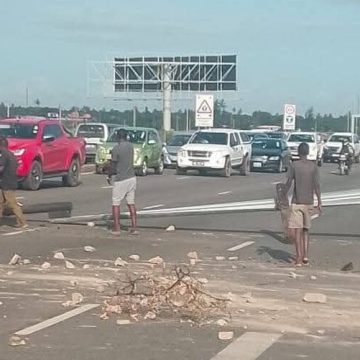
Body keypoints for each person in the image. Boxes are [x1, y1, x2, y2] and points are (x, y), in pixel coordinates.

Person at [284, 142, 322, 267]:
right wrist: (320, 202)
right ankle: (305, 256)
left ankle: (298, 258)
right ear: (308, 152)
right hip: (309, 203)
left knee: (297, 232)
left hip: (297, 202)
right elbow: (316, 185)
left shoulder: (294, 165)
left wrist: (283, 195)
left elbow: (289, 182)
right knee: (306, 230)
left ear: (298, 152)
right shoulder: (313, 166)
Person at [108, 129, 138, 236]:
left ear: (117, 137)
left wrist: (109, 175)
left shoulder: (116, 149)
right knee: (131, 203)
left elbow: (113, 165)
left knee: (116, 203)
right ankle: (134, 227)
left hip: (121, 179)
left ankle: (117, 228)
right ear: (126, 136)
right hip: (132, 177)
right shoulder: (131, 147)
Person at [0, 136, 27, 228]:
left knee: (12, 204)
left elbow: (1, 168)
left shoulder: (3, 154)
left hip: (6, 183)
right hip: (10, 181)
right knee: (0, 203)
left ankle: (23, 222)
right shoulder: (11, 154)